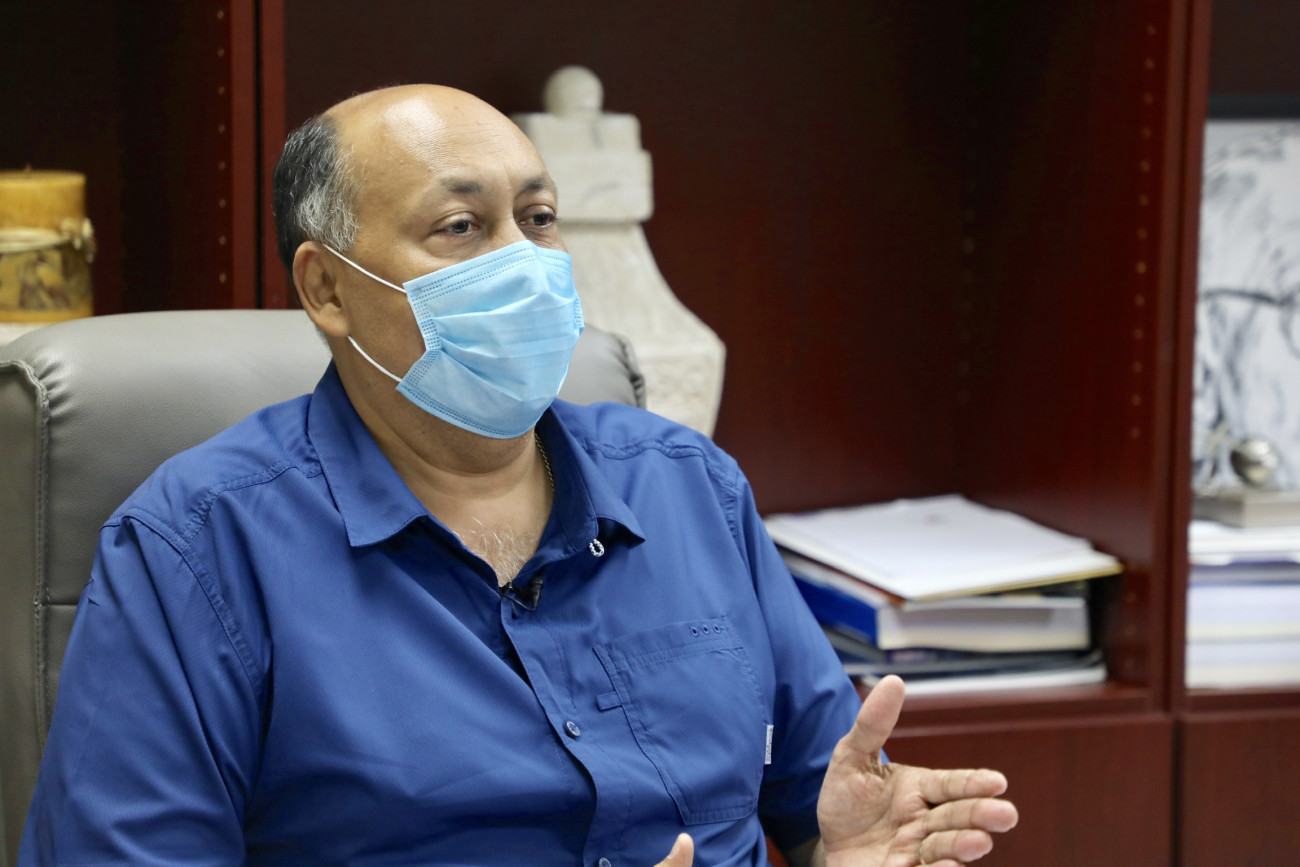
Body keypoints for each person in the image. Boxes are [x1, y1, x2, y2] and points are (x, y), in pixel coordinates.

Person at [20, 84, 1017, 866]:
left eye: (537, 219)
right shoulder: (197, 546)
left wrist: (842, 849)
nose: (525, 262)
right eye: (461, 227)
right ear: (327, 288)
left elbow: (818, 799)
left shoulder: (687, 488)